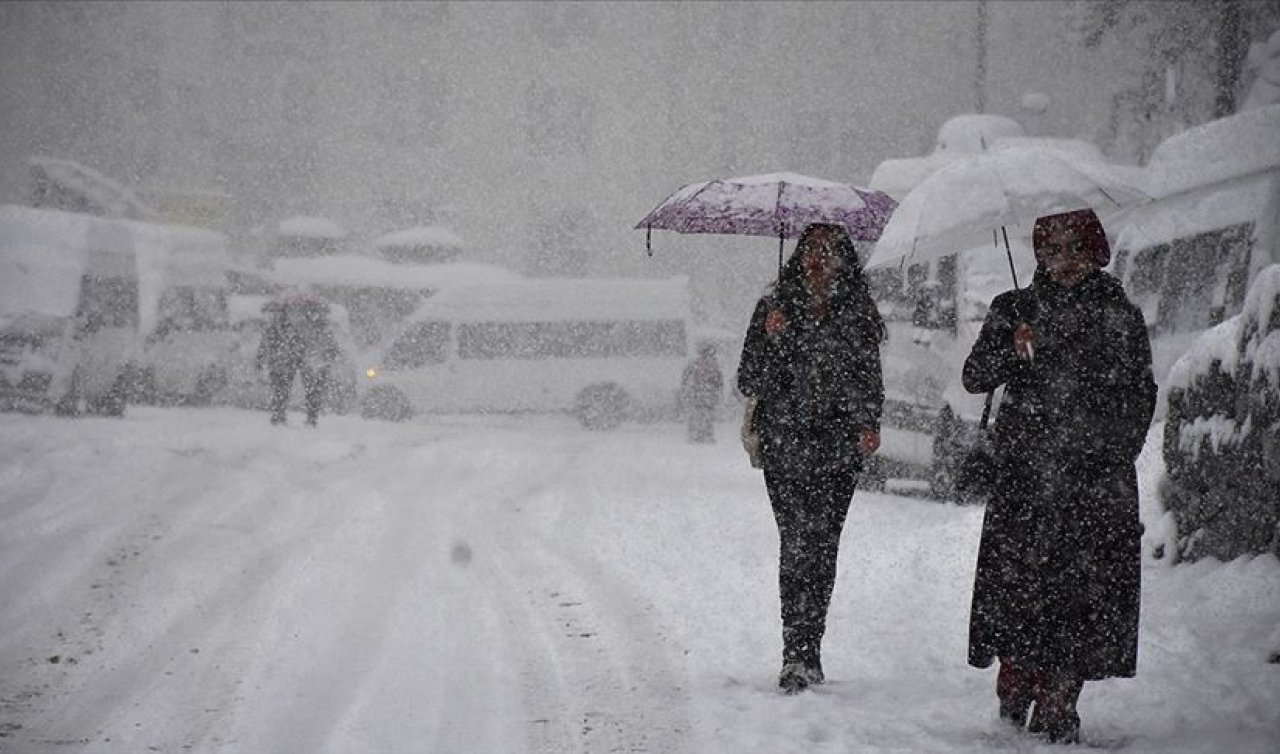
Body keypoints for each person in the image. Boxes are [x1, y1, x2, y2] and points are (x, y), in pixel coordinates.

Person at [961, 208, 1156, 743]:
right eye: (1053, 250)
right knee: (1022, 589)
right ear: (1039, 255)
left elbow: (1140, 395)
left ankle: (1061, 697)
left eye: (1076, 248)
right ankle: (1018, 675)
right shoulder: (1014, 308)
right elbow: (974, 377)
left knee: (1080, 595)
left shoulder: (1118, 314)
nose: (1065, 261)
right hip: (1025, 478)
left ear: (1096, 251)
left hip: (1093, 482)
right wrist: (1010, 348)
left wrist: (1112, 452)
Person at [736, 222, 886, 694]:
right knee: (796, 543)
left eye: (830, 251)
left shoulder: (857, 312)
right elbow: (748, 379)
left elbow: (868, 379)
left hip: (837, 449)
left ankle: (810, 647)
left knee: (822, 547)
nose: (819, 259)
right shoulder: (773, 308)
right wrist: (772, 337)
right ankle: (794, 653)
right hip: (785, 445)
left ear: (845, 260)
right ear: (798, 256)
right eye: (812, 251)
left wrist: (867, 424)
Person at [256, 292, 340, 427]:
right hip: (308, 361)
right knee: (310, 390)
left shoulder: (280, 326)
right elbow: (329, 345)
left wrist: (262, 358)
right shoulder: (317, 326)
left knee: (282, 389)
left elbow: (266, 343)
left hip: (287, 360)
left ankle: (281, 416)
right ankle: (308, 418)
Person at [679, 342, 724, 443]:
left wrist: (685, 388)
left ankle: (697, 435)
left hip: (700, 394)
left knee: (699, 416)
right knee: (704, 416)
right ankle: (704, 435)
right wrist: (718, 391)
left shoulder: (696, 364)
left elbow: (685, 376)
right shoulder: (712, 365)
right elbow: (719, 381)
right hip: (706, 395)